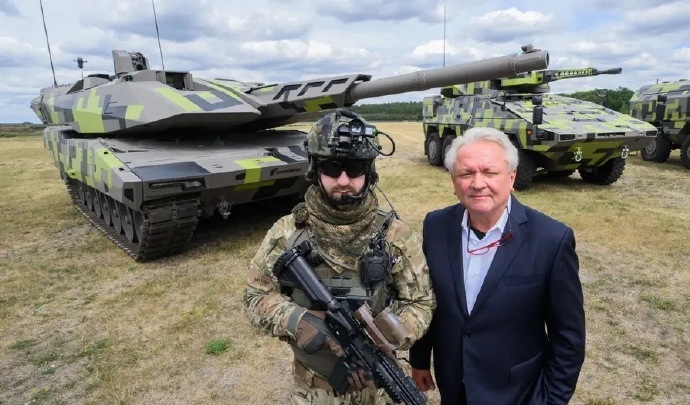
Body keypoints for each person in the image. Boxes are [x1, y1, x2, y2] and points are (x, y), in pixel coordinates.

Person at [244, 110, 436, 405]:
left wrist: (392, 333)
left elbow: (421, 301)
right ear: (315, 169)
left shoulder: (394, 235)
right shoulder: (288, 232)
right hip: (314, 390)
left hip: (379, 388)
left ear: (368, 171)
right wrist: (298, 320)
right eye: (332, 168)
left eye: (354, 168)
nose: (343, 180)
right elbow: (255, 296)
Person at [409, 127, 586, 404]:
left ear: (511, 177)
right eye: (466, 173)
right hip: (453, 386)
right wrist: (419, 359)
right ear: (454, 181)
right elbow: (429, 298)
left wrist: (550, 400)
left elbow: (569, 338)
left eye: (490, 172)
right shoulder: (436, 225)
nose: (478, 183)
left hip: (516, 393)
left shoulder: (552, 240)